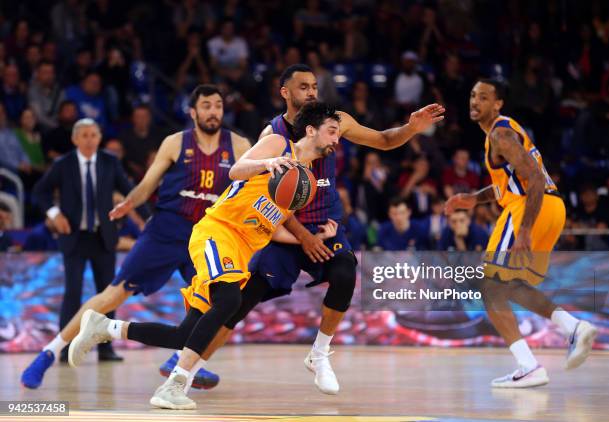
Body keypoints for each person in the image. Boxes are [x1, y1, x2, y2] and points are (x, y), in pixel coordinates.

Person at [184, 63, 444, 396]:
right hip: (284, 225)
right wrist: (302, 237)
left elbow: (382, 140)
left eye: (314, 87)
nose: (311, 92)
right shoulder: (273, 137)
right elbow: (265, 199)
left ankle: (319, 354)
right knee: (241, 300)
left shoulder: (335, 121)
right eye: (303, 87)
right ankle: (191, 368)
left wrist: (411, 128)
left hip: (325, 222)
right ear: (285, 93)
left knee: (346, 271)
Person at [68, 101, 342, 410]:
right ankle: (174, 385)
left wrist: (312, 238)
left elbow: (272, 224)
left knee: (185, 334)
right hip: (217, 232)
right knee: (230, 302)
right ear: (311, 130)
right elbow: (237, 171)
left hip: (241, 251)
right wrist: (267, 164)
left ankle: (105, 327)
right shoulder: (280, 145)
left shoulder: (304, 182)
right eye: (332, 132)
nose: (336, 140)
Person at [21, 84, 250, 390]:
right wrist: (129, 203)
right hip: (166, 230)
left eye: (218, 105)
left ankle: (180, 360)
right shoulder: (174, 142)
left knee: (218, 302)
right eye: (207, 105)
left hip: (208, 234)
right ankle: (48, 353)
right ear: (193, 112)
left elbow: (252, 189)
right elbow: (146, 185)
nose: (214, 111)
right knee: (112, 295)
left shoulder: (238, 145)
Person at [444, 79, 597, 388]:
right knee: (512, 286)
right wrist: (474, 199)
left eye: (483, 97)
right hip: (552, 209)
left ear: (498, 103)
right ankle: (573, 327)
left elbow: (534, 180)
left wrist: (525, 229)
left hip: (529, 210)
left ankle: (528, 366)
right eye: (473, 95)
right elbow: (508, 184)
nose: (475, 101)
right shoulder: (500, 134)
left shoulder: (501, 133)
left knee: (490, 287)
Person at [26, 118, 136, 372]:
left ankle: (106, 349)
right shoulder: (62, 164)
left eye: (93, 134)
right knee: (72, 292)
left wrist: (148, 217)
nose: (89, 139)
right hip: (74, 237)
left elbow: (130, 192)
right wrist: (54, 214)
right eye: (84, 135)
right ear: (75, 139)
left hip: (103, 236)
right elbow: (40, 192)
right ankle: (63, 348)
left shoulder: (110, 161)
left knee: (108, 295)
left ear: (99, 137)